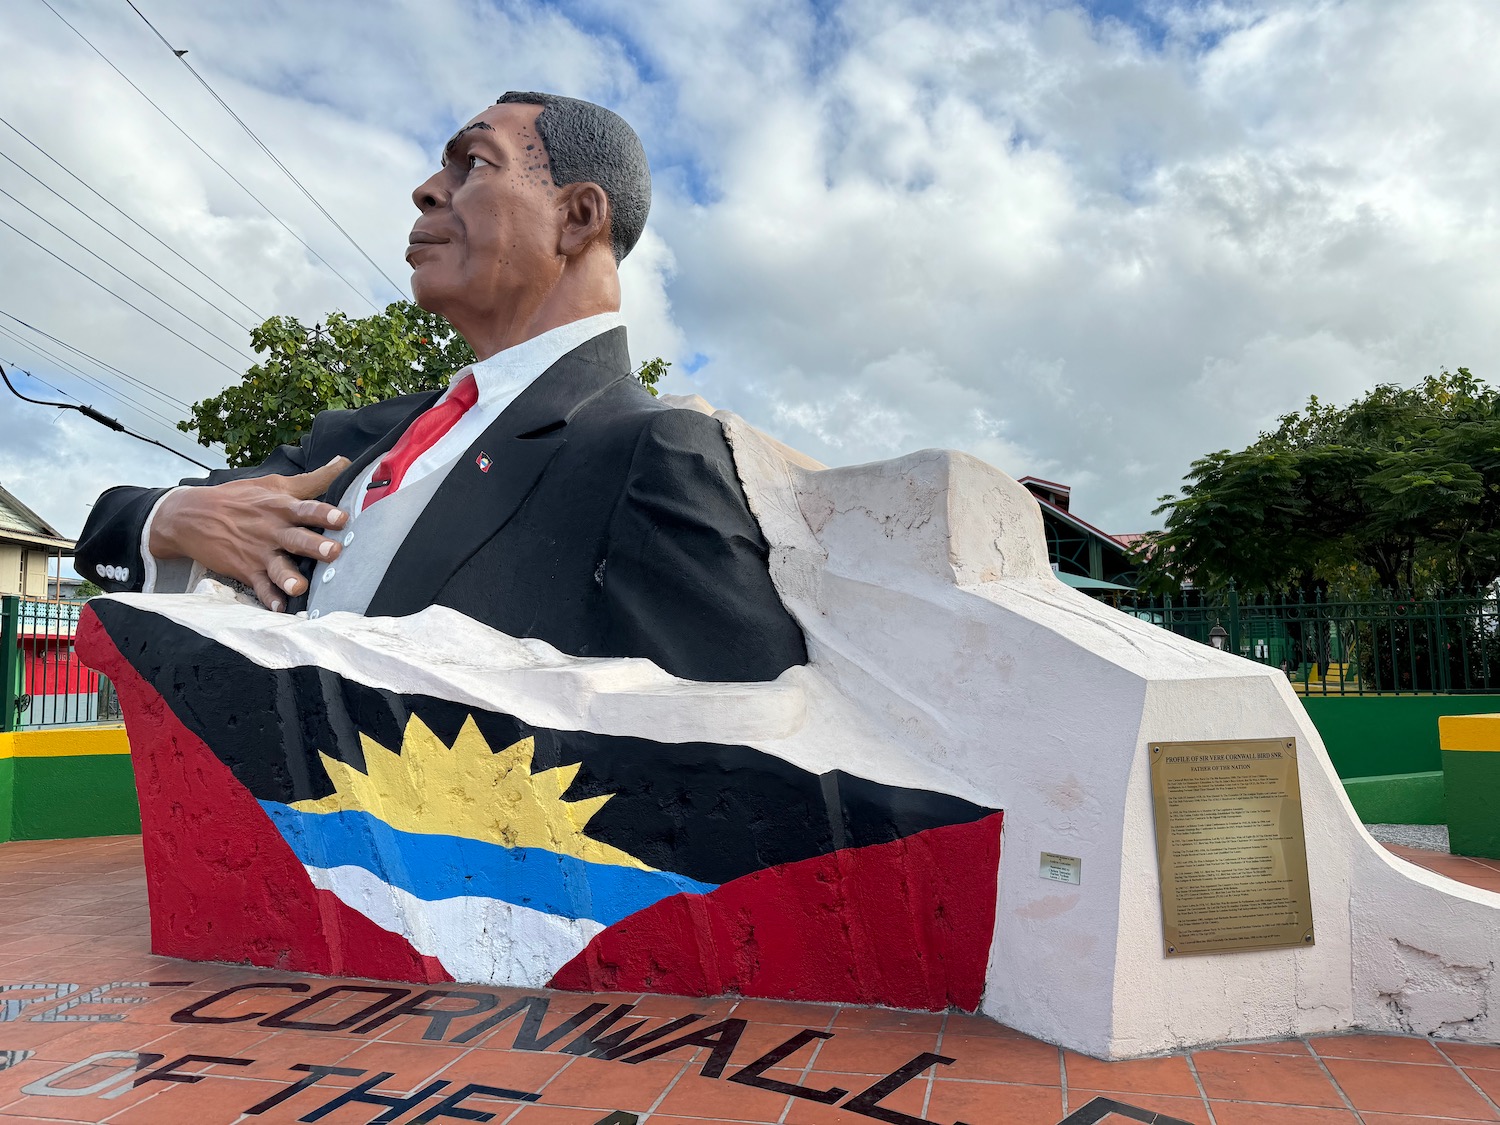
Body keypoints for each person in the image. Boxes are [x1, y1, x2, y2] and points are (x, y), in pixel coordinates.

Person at [75, 92, 806, 684]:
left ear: (578, 217)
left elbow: (745, 779)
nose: (427, 190)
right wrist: (177, 517)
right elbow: (107, 524)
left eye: (473, 164)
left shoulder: (654, 456)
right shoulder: (351, 440)